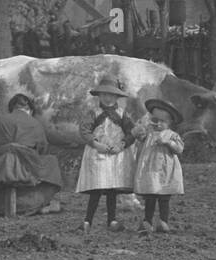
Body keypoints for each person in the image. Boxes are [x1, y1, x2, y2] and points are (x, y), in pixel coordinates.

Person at [0, 94, 63, 218]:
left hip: (2, 167)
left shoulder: (1, 121)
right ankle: (36, 204)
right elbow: (42, 149)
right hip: (27, 169)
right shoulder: (35, 123)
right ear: (29, 109)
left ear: (12, 107)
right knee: (51, 162)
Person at [77, 76, 136, 233]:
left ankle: (112, 220)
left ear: (117, 97)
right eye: (104, 94)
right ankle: (87, 221)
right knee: (97, 187)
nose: (107, 98)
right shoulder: (93, 113)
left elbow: (132, 132)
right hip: (98, 153)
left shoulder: (123, 114)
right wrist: (96, 144)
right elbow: (84, 130)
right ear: (99, 96)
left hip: (116, 154)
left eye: (111, 95)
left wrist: (122, 145)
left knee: (112, 188)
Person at [133, 98, 185, 234]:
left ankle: (163, 221)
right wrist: (139, 134)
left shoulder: (172, 135)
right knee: (150, 197)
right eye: (156, 120)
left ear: (169, 123)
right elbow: (140, 140)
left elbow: (179, 149)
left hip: (165, 170)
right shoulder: (149, 134)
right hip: (150, 169)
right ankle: (147, 221)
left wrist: (168, 143)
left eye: (163, 121)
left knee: (164, 197)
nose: (158, 124)